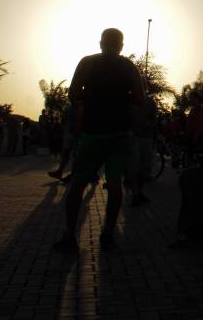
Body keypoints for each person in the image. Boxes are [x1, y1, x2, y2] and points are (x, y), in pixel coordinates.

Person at [53, 28, 145, 253]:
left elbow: (73, 93)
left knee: (78, 184)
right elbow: (139, 98)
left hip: (92, 133)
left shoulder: (87, 63)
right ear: (122, 45)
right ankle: (108, 234)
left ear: (100, 43)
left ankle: (69, 236)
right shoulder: (128, 67)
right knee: (115, 186)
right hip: (119, 134)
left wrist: (90, 101)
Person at [129, 92, 158, 206]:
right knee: (134, 167)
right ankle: (135, 194)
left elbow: (154, 119)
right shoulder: (129, 101)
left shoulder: (151, 102)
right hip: (134, 137)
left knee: (144, 167)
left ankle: (139, 192)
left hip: (146, 137)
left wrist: (149, 124)